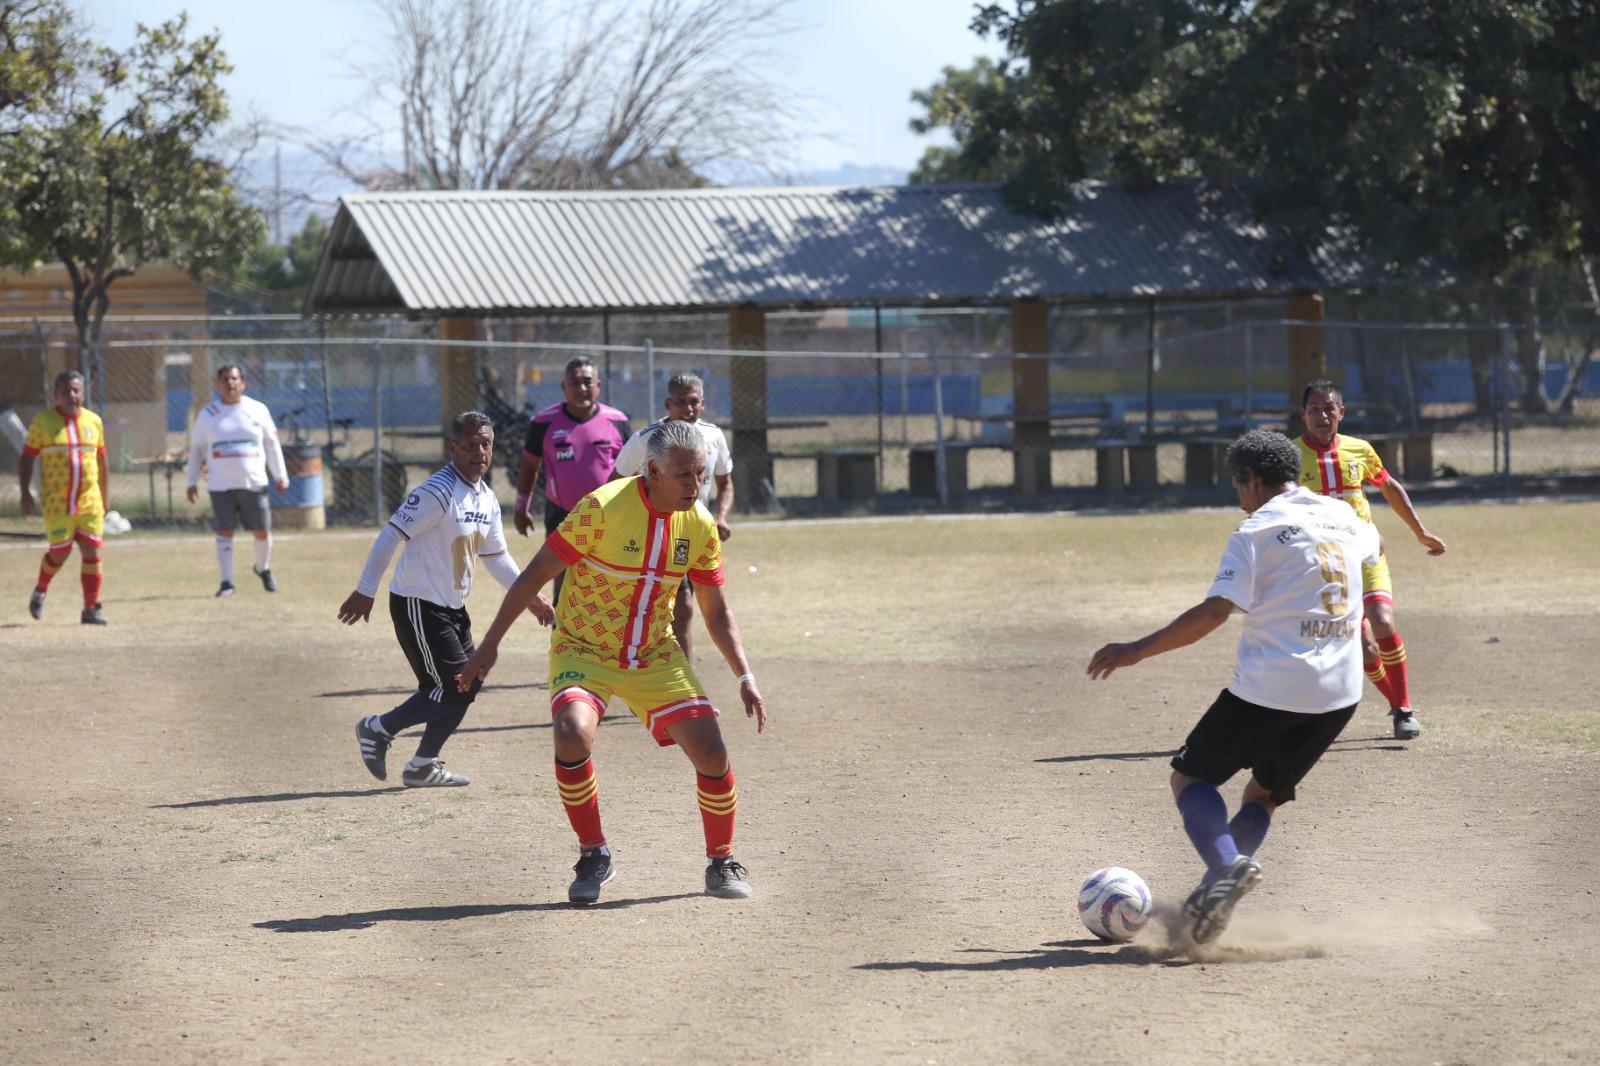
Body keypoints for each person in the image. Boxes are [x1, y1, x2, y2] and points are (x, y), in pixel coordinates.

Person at [1087, 430, 1381, 945]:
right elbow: (1367, 558)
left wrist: (1136, 650)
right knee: (1262, 794)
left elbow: (1213, 613)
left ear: (1249, 478)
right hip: (1339, 692)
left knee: (1190, 779)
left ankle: (1226, 866)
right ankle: (1214, 893)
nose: (1240, 500)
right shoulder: (1345, 516)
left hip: (1272, 686)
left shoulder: (1255, 530)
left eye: (1238, 488)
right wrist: (1361, 627)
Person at [459, 418, 766, 905]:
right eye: (684, 475)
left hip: (654, 654)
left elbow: (715, 611)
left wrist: (744, 675)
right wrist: (491, 644)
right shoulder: (602, 508)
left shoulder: (700, 524)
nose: (695, 485)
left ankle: (721, 861)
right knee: (571, 733)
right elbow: (534, 573)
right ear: (652, 472)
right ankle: (594, 853)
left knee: (712, 750)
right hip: (584, 648)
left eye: (701, 475)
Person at [337, 412, 544, 788]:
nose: (478, 452)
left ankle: (422, 765)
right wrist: (366, 589)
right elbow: (391, 534)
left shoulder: (486, 498)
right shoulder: (438, 491)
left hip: (452, 607)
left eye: (485, 444)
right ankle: (378, 728)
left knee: (469, 682)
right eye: (469, 445)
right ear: (453, 448)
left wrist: (530, 597)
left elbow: (497, 558)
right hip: (418, 603)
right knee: (452, 687)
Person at [1296, 380, 1447, 740]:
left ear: (1341, 412)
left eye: (1329, 408)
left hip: (1365, 553)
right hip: (1324, 565)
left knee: (1382, 620)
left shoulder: (1360, 450)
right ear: (1303, 415)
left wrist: (1420, 532)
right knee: (1363, 647)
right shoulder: (1290, 456)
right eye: (1314, 409)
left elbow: (1389, 487)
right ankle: (1395, 704)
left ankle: (1404, 709)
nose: (1322, 415)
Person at [612, 372, 734, 660]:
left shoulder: (713, 436)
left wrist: (721, 517)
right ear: (668, 404)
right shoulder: (646, 439)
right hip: (654, 531)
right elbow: (615, 482)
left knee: (685, 608)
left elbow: (725, 484)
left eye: (694, 402)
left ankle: (680, 677)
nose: (688, 409)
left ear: (703, 404)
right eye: (681, 402)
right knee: (672, 606)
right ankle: (643, 668)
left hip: (693, 534)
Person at [511, 358, 631, 607]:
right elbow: (530, 467)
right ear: (563, 387)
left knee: (609, 582)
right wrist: (522, 508)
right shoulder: (542, 423)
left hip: (610, 516)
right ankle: (561, 629)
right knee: (564, 585)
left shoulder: (618, 421)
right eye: (574, 383)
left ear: (598, 385)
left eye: (587, 382)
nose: (582, 388)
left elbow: (633, 470)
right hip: (562, 514)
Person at [185, 364, 290, 597]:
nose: (230, 383)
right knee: (224, 532)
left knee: (262, 531)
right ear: (217, 385)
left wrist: (280, 475)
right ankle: (227, 583)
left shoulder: (257, 410)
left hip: (253, 482)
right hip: (220, 485)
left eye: (234, 379)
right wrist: (191, 482)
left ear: (243, 383)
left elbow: (271, 445)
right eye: (225, 379)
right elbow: (197, 449)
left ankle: (262, 568)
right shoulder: (208, 414)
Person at [19, 371, 110, 625]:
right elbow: (27, 457)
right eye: (66, 391)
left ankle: (90, 609)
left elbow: (102, 460)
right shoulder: (42, 423)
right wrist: (25, 492)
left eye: (76, 390)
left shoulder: (94, 422)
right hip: (57, 503)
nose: (72, 395)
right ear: (56, 395)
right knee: (60, 553)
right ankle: (41, 589)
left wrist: (105, 496)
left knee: (91, 551)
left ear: (83, 394)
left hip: (89, 501)